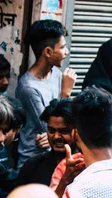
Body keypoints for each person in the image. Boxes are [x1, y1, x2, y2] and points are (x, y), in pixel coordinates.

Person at [16, 19, 77, 169]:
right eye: (62, 47)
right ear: (48, 52)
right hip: (33, 161)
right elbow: (50, 125)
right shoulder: (28, 87)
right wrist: (65, 93)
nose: (66, 52)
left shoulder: (56, 74)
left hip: (53, 154)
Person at [16, 98, 77, 186]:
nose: (56, 137)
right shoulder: (32, 166)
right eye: (51, 130)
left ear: (76, 131)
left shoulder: (87, 166)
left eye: (64, 131)